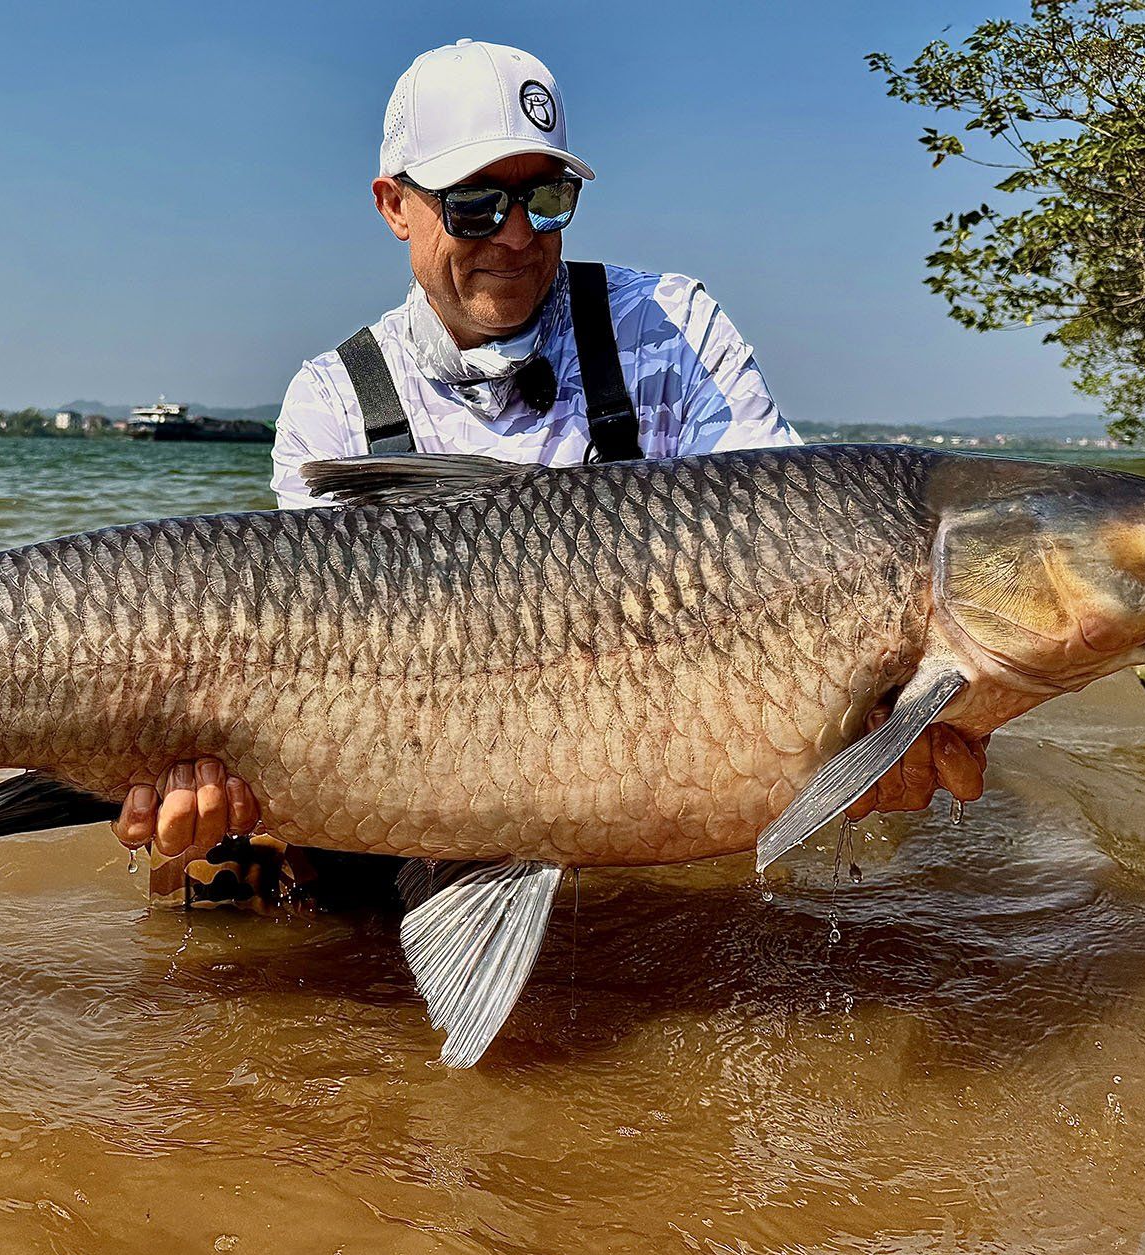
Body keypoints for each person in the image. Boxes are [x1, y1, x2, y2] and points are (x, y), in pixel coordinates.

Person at [111, 39, 988, 872]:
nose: (520, 235)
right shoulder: (333, 400)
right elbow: (314, 663)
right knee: (212, 873)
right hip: (409, 790)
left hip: (654, 781)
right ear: (393, 205)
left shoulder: (675, 326)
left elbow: (802, 560)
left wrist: (873, 731)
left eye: (547, 198)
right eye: (475, 204)